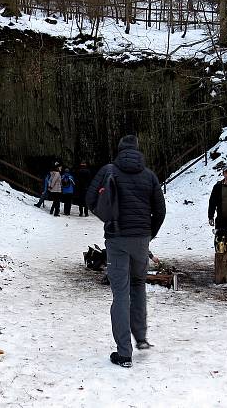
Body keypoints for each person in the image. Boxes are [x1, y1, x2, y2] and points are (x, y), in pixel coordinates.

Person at [86, 135, 166, 368]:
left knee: (120, 293)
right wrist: (149, 234)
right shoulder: (149, 175)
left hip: (116, 238)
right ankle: (141, 339)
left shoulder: (108, 170)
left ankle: (124, 353)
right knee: (138, 284)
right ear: (138, 151)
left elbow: (90, 199)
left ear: (120, 150)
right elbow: (160, 210)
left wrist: (108, 217)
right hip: (141, 239)